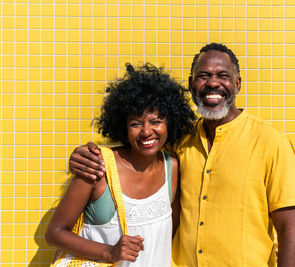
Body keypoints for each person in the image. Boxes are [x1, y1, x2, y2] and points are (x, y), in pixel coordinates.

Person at [68, 43, 295, 266]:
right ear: (192, 84)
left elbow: (290, 230)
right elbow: (140, 145)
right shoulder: (180, 141)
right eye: (203, 76)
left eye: (223, 76)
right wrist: (85, 155)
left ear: (238, 83)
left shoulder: (271, 142)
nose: (213, 83)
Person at [45, 63, 196, 266]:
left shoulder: (172, 166)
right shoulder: (98, 167)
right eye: (136, 123)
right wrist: (109, 252)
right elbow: (54, 233)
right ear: (124, 128)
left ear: (170, 123)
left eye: (156, 121)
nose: (146, 131)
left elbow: (168, 234)